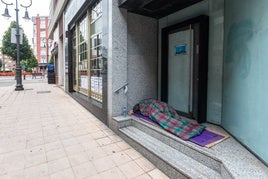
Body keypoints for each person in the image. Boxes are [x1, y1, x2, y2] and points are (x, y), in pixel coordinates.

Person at [133, 99, 205, 140]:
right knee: (175, 118)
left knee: (166, 120)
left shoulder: (143, 105)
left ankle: (187, 131)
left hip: (157, 108)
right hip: (163, 105)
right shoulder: (144, 101)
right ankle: (190, 127)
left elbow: (146, 111)